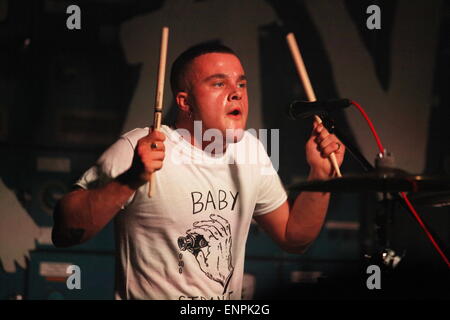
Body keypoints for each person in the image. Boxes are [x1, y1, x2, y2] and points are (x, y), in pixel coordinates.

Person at [52, 43, 345, 300]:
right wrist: (131, 179)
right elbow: (66, 231)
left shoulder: (250, 150)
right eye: (219, 84)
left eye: (241, 84)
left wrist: (319, 176)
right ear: (185, 101)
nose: (236, 94)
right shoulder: (141, 145)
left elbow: (294, 239)